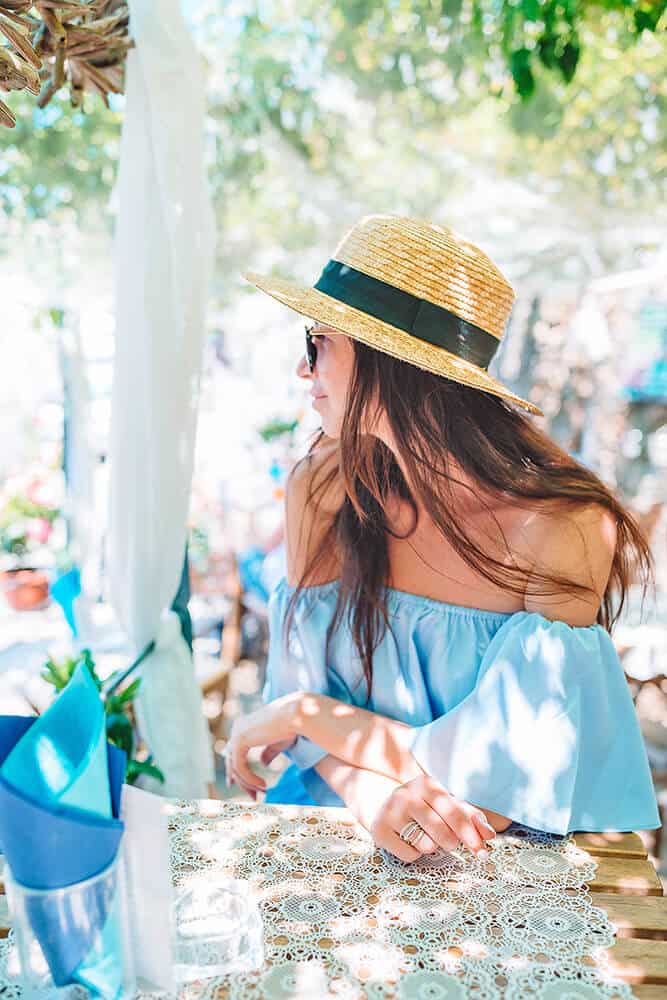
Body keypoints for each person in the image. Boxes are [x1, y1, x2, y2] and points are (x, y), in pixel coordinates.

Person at [225, 214, 660, 864]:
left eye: (317, 342)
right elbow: (305, 724)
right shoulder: (321, 488)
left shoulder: (561, 526)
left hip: (490, 870)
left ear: (387, 360)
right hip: (334, 834)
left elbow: (500, 783)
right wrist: (367, 792)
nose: (300, 367)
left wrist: (307, 714)